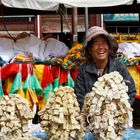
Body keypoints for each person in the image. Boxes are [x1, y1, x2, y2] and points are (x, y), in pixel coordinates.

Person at [74, 26, 136, 110]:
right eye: (96, 43)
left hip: (116, 120)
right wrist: (91, 113)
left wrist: (121, 110)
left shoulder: (119, 66)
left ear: (109, 46)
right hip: (92, 120)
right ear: (89, 48)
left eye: (104, 43)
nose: (100, 47)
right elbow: (79, 96)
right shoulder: (83, 70)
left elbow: (131, 91)